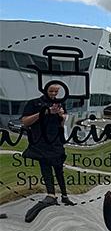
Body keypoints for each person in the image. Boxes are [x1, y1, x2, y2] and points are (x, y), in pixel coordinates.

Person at [20, 83, 74, 223]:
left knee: (59, 169)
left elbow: (61, 125)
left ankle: (64, 195)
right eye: (51, 91)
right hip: (41, 141)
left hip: (55, 141)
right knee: (45, 167)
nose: (54, 94)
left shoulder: (60, 104)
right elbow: (25, 122)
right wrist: (46, 112)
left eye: (56, 91)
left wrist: (61, 117)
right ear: (45, 90)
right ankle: (51, 194)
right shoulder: (34, 103)